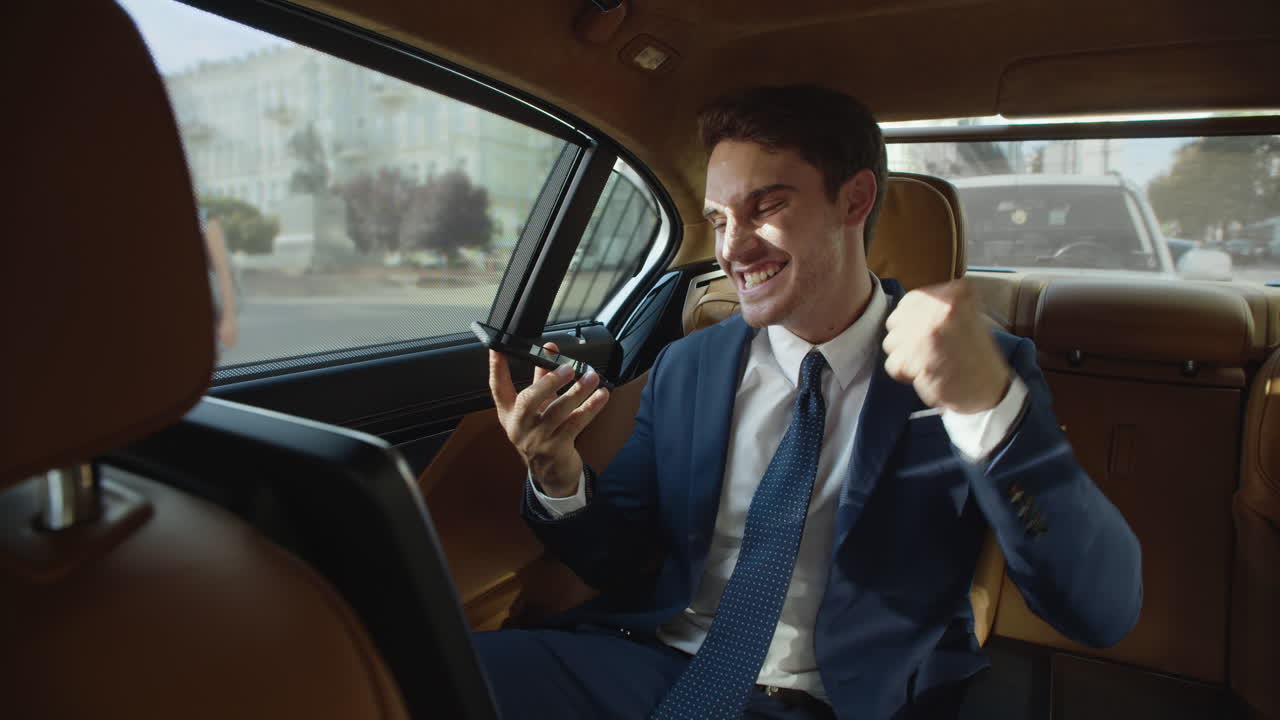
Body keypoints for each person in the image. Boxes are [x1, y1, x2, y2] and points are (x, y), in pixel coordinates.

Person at [479, 85, 1142, 720]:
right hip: (650, 669)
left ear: (853, 201)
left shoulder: (973, 368)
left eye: (765, 208)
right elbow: (616, 559)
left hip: (842, 702)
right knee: (415, 672)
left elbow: (1098, 611)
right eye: (718, 219)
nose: (732, 248)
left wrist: (987, 411)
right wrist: (557, 473)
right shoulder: (688, 366)